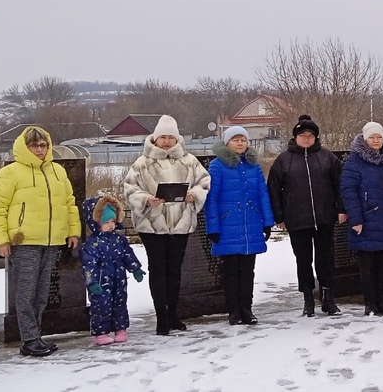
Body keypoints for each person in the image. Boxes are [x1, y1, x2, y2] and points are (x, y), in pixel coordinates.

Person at [0, 126, 80, 357]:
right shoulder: (11, 172)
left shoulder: (57, 171)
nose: (39, 149)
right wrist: (1, 240)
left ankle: (35, 335)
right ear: (25, 146)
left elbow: (69, 203)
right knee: (26, 292)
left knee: (41, 293)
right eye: (34, 145)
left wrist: (72, 231)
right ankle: (29, 339)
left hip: (51, 240)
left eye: (43, 145)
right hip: (24, 241)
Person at [123, 114, 211, 335]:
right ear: (155, 138)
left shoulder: (189, 160)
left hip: (181, 224)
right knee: (158, 270)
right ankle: (161, 317)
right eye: (162, 137)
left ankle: (174, 314)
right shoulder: (143, 163)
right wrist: (146, 200)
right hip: (153, 225)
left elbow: (205, 182)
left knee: (175, 270)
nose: (167, 141)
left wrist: (193, 195)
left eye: (171, 137)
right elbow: (130, 188)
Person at [268, 114, 345, 317]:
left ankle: (328, 299)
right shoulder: (283, 160)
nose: (307, 138)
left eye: (310, 135)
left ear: (316, 137)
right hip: (297, 220)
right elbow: (274, 189)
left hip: (324, 218)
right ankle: (308, 299)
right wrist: (279, 216)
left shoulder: (327, 157)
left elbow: (340, 185)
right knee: (303, 260)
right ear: (295, 137)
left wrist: (341, 209)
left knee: (325, 260)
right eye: (303, 134)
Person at [205, 126, 276, 326]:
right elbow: (212, 199)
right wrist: (213, 228)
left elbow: (262, 194)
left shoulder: (254, 166)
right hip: (228, 224)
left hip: (251, 223)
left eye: (243, 140)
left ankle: (247, 308)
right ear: (227, 143)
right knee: (231, 271)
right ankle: (233, 311)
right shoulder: (217, 166)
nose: (240, 143)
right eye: (235, 140)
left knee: (247, 270)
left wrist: (267, 222)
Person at [340, 121, 383, 316]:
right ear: (365, 139)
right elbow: (348, 191)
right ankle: (370, 302)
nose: (376, 140)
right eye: (372, 137)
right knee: (367, 266)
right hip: (365, 220)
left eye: (379, 137)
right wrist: (356, 219)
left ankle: (382, 300)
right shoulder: (354, 161)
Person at [79, 195, 144, 345]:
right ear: (96, 222)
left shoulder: (118, 240)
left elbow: (127, 255)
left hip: (118, 279)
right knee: (101, 307)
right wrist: (91, 282)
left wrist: (135, 269)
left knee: (120, 305)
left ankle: (120, 329)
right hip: (102, 281)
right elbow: (89, 265)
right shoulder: (92, 244)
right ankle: (101, 333)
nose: (111, 225)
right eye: (106, 222)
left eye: (113, 221)